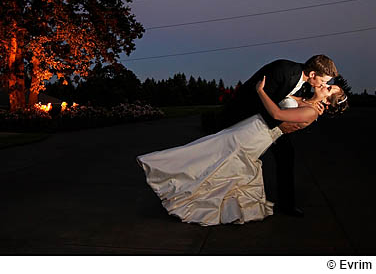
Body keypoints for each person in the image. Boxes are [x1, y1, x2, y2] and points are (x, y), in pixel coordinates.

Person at [136, 79, 348, 226]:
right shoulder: (308, 103)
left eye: (329, 89)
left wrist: (260, 90)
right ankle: (177, 180)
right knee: (214, 151)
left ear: (328, 103)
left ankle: (169, 175)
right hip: (252, 127)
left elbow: (276, 112)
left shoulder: (310, 111)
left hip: (257, 135)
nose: (325, 85)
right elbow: (288, 97)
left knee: (213, 152)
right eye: (328, 84)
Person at [221, 55, 339, 217]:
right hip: (249, 117)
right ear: (312, 74)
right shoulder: (282, 70)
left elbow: (294, 101)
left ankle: (287, 205)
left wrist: (311, 104)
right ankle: (224, 195)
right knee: (234, 158)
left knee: (286, 156)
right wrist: (280, 123)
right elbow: (259, 100)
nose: (324, 85)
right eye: (324, 81)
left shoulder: (307, 86)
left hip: (273, 125)